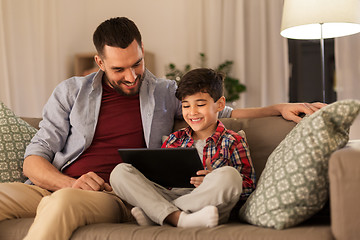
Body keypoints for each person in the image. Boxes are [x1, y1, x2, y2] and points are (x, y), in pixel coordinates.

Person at [0, 17, 324, 239]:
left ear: (142, 49)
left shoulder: (164, 92)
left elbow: (222, 111)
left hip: (110, 194)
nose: (131, 76)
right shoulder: (71, 91)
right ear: (99, 63)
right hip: (60, 184)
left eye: (137, 63)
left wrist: (278, 108)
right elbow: (34, 158)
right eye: (119, 69)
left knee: (60, 204)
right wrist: (68, 182)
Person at [110, 68, 256, 228]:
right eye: (186, 106)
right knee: (120, 172)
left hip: (208, 198)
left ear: (220, 104)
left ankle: (160, 215)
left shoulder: (233, 140)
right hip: (169, 194)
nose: (192, 112)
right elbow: (158, 179)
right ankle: (179, 218)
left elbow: (248, 186)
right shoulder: (174, 139)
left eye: (200, 104)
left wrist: (212, 178)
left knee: (230, 175)